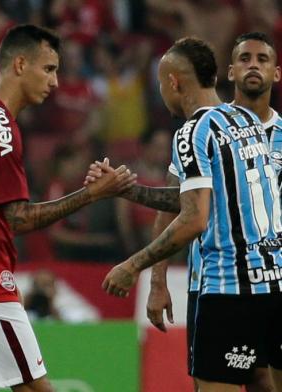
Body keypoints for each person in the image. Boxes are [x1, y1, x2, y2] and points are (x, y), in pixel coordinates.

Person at [0, 24, 135, 392]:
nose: (55, 82)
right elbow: (19, 219)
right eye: (49, 69)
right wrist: (91, 194)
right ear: (20, 64)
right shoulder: (0, 126)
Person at [101, 37, 282, 391]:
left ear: (172, 82)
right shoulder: (247, 120)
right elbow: (196, 200)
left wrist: (132, 266)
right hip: (271, 288)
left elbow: (194, 217)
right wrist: (126, 190)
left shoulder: (193, 132)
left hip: (225, 291)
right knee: (263, 380)